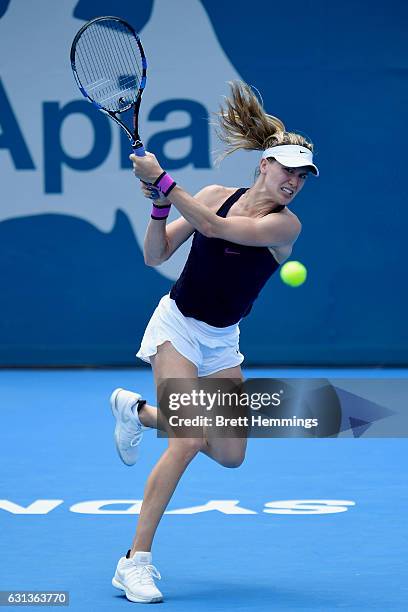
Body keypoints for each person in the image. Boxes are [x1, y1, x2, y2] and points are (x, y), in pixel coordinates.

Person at [110, 81, 319, 604]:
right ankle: (135, 562)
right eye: (286, 169)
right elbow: (155, 257)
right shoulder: (209, 194)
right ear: (264, 164)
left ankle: (137, 411)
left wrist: (164, 180)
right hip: (177, 325)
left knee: (229, 455)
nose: (294, 181)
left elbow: (217, 230)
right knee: (186, 439)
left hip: (222, 341)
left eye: (302, 175)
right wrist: (160, 205)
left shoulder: (284, 226)